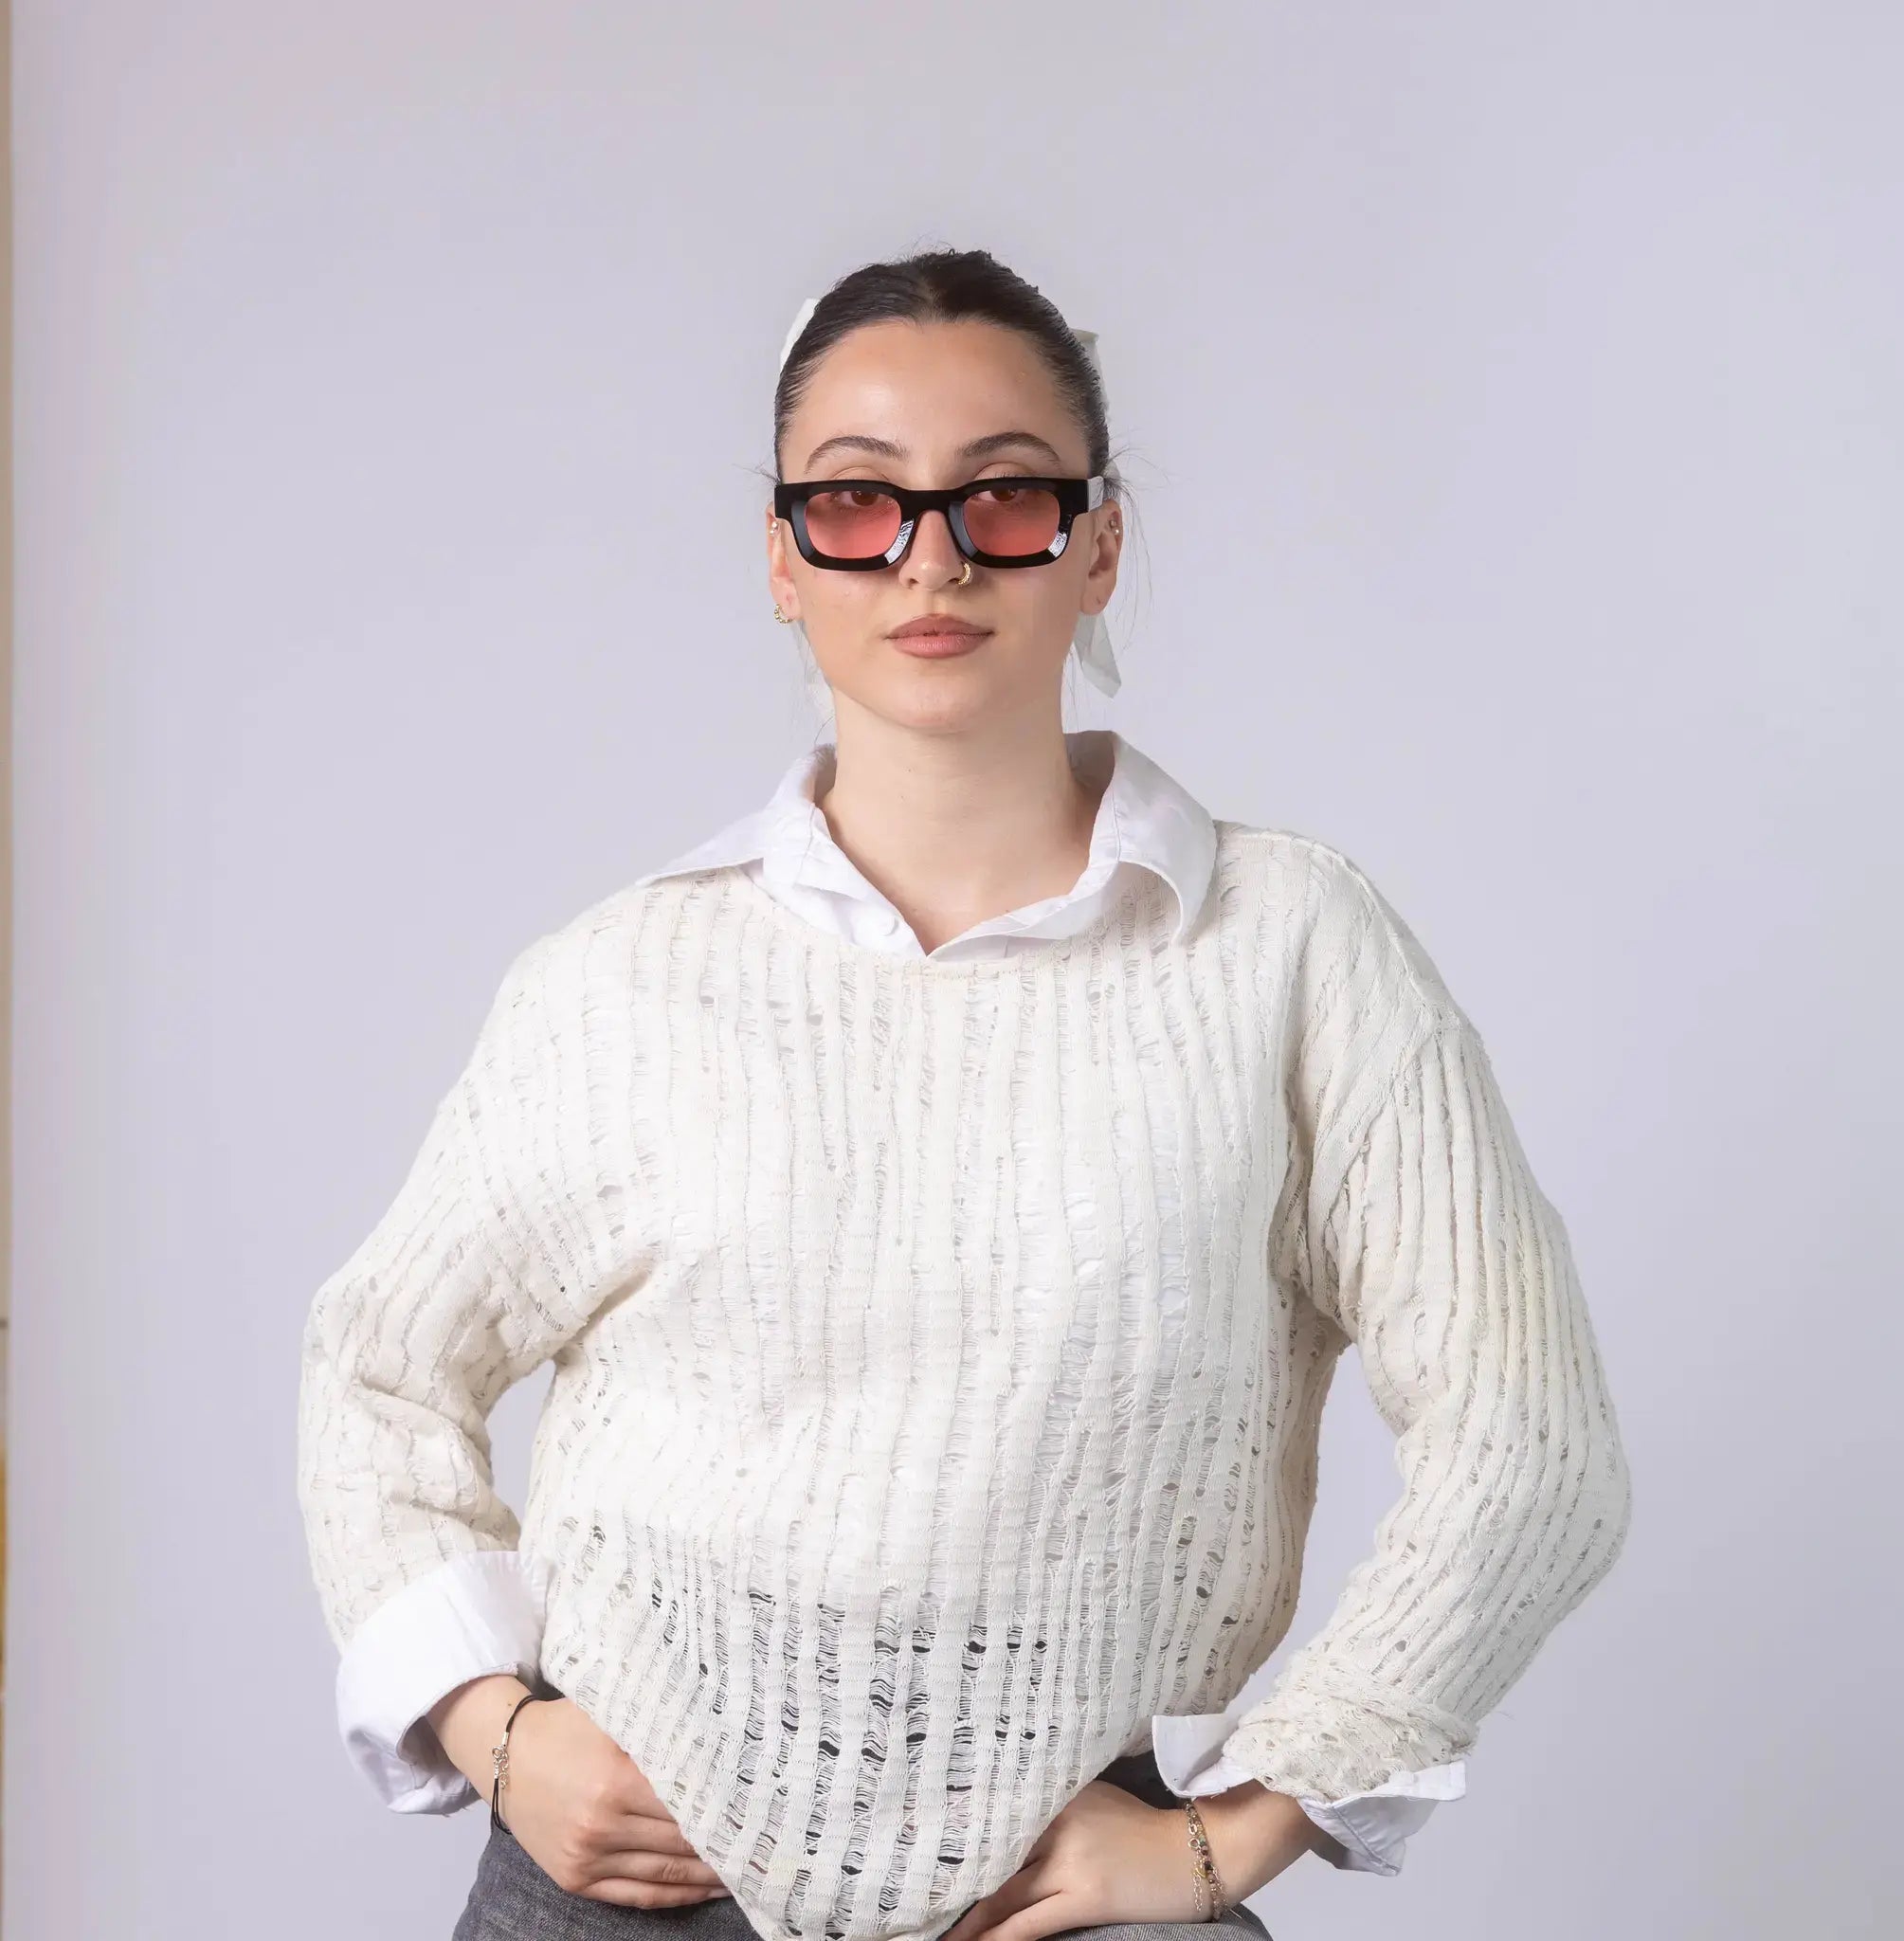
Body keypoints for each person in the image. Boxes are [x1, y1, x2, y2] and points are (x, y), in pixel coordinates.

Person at [295, 245, 1632, 1941]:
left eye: (1004, 495)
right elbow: (378, 1378)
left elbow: (1532, 1446)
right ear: (783, 560)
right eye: (856, 503)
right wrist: (495, 1731)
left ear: (1100, 545)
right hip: (624, 1895)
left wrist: (1231, 1835)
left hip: (1081, 1903)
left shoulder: (1290, 948)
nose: (929, 556)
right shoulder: (619, 982)